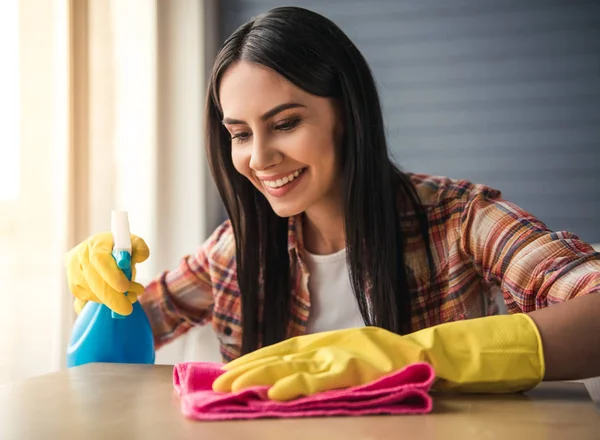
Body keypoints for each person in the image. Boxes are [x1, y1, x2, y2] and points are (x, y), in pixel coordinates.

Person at [65, 6, 600, 401]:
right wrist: (107, 296)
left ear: (346, 113)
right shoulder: (233, 253)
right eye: (240, 134)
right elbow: (122, 346)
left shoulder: (458, 221)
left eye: (286, 123)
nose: (260, 157)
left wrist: (417, 356)